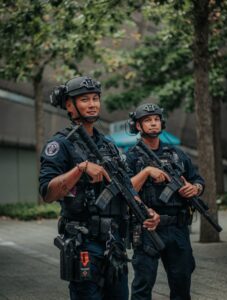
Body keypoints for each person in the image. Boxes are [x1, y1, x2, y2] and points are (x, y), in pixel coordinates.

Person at [39, 76, 160, 300]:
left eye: (96, 98)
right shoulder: (61, 144)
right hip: (84, 242)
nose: (93, 104)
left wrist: (146, 211)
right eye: (85, 99)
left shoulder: (108, 145)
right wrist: (80, 169)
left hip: (115, 243)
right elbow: (47, 193)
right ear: (69, 105)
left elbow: (125, 186)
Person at [126, 103, 205, 300]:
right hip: (148, 229)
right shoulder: (131, 157)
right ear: (138, 126)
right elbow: (125, 190)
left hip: (178, 228)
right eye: (147, 120)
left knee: (181, 283)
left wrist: (194, 188)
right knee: (143, 284)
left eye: (156, 119)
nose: (153, 124)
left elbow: (198, 180)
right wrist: (145, 172)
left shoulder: (177, 154)